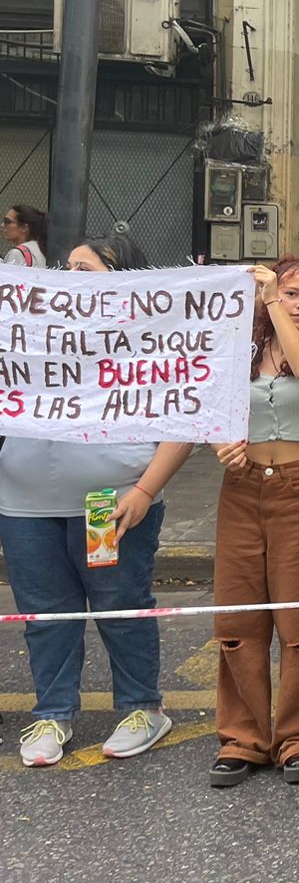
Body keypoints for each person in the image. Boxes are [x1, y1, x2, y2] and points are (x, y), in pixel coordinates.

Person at [0, 234, 187, 768]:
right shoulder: (27, 333)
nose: (71, 274)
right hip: (24, 504)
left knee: (118, 604)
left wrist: (146, 490)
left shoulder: (151, 342)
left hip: (108, 503)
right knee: (44, 614)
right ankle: (53, 714)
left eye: (86, 267)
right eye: (68, 267)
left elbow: (185, 418)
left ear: (122, 278)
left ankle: (142, 708)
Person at [209, 257, 299, 787]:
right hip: (241, 490)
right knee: (239, 618)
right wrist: (220, 442)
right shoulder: (236, 351)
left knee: (298, 620)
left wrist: (269, 301)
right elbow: (205, 409)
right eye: (292, 293)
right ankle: (242, 738)